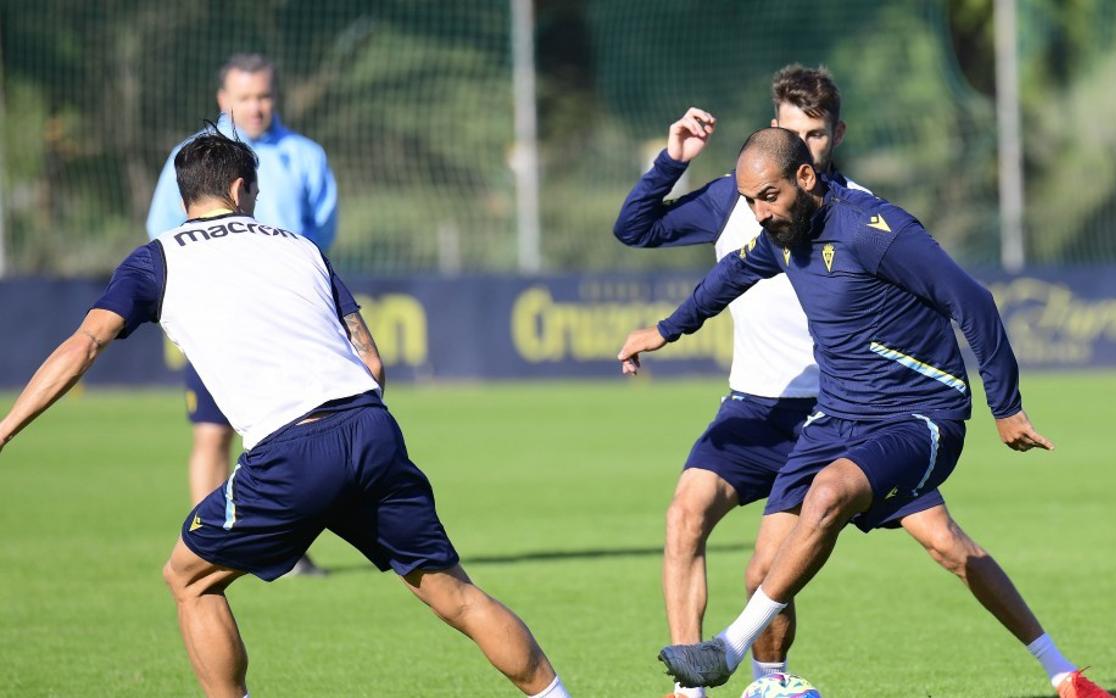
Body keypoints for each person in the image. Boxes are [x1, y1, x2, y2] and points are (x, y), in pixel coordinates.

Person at [0, 128, 570, 698]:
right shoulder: (300, 246)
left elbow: (85, 345)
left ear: (183, 198)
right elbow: (371, 360)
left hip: (291, 450)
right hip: (370, 427)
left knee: (190, 580)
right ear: (242, 187)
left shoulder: (157, 260)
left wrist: (6, 428)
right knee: (456, 595)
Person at [618, 128, 1114, 697]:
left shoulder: (876, 230)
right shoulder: (780, 236)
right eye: (750, 201)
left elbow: (971, 301)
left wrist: (1006, 407)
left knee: (837, 497)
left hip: (919, 418)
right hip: (836, 421)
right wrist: (663, 330)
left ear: (805, 177)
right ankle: (1059, 674)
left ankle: (726, 651)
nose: (759, 213)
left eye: (768, 197)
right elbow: (728, 277)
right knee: (766, 572)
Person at [614, 65, 883, 698]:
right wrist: (671, 159)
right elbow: (634, 228)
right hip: (751, 407)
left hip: (827, 413)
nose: (801, 147)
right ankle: (691, 686)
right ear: (770, 130)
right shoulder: (733, 198)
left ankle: (769, 683)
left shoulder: (861, 212)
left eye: (815, 135)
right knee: (684, 516)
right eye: (789, 131)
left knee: (766, 570)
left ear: (835, 136)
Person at [147, 53, 339, 574]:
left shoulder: (305, 155)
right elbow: (164, 234)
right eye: (244, 96)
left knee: (297, 431)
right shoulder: (190, 160)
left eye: (263, 96)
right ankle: (211, 548)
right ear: (222, 99)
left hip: (290, 324)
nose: (255, 107)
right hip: (220, 322)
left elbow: (320, 237)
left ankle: (287, 547)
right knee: (212, 433)